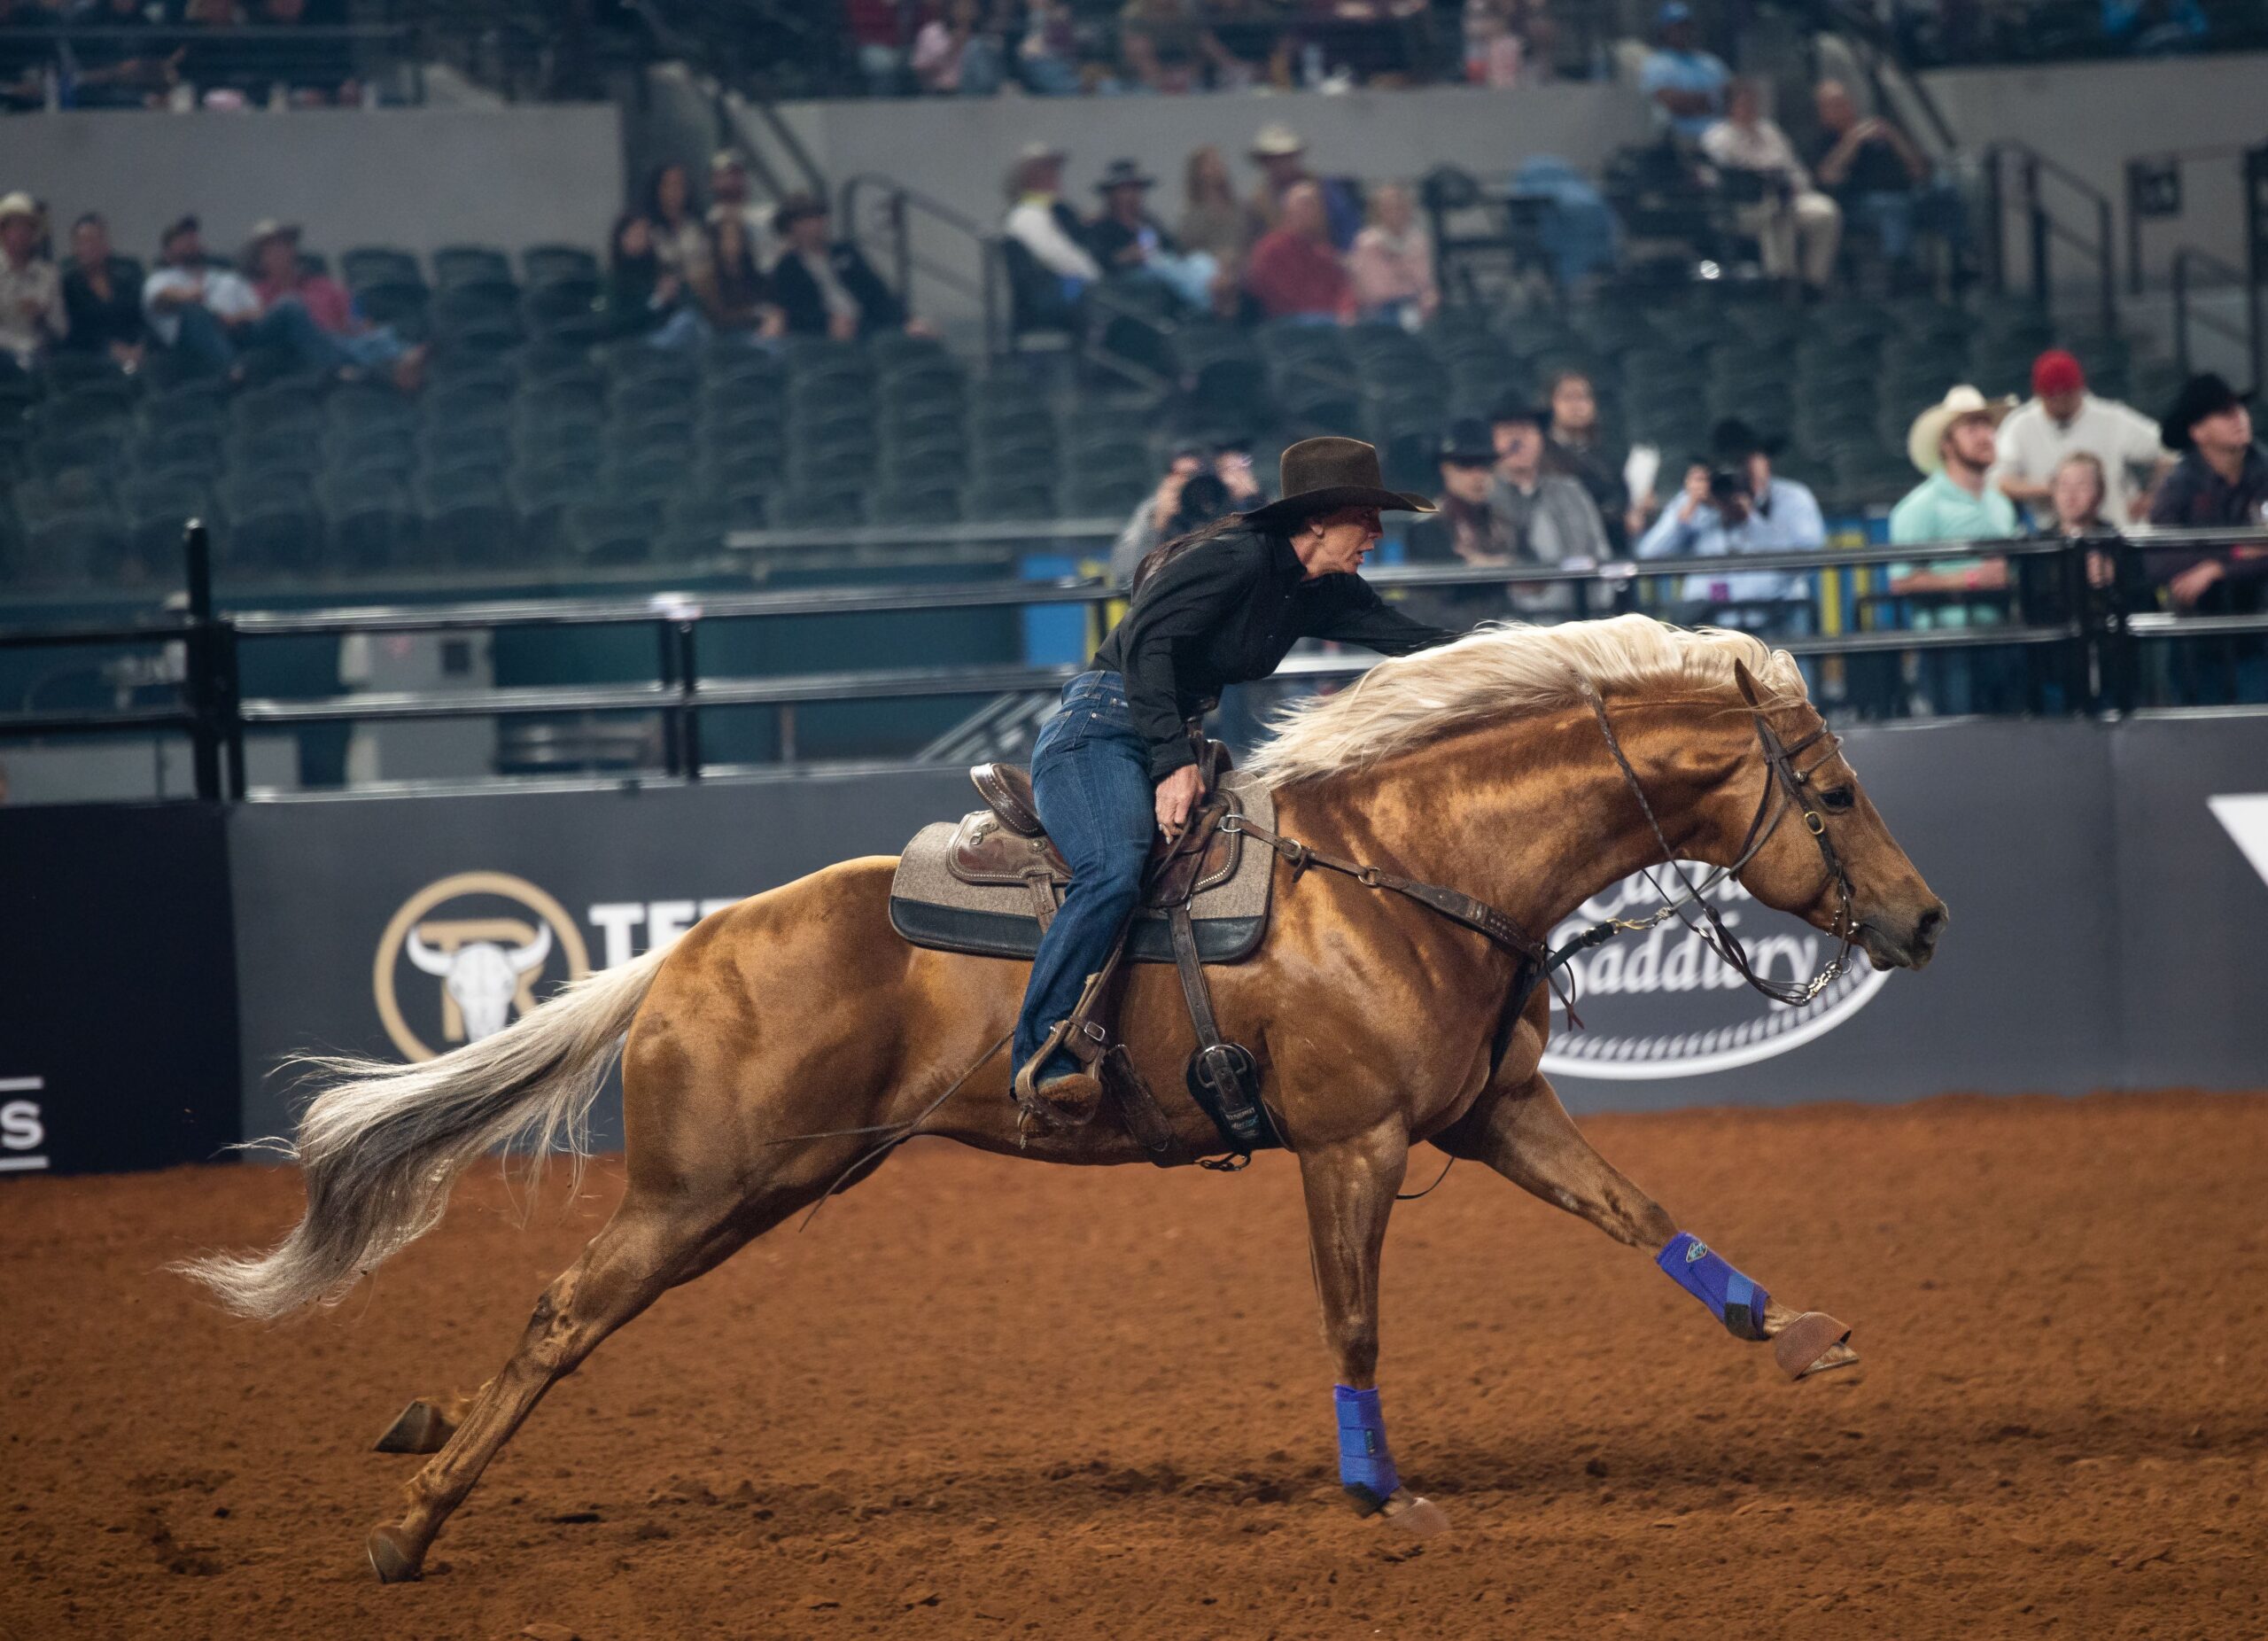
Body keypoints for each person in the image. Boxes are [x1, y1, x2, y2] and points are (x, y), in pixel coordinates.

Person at [1010, 436, 1456, 1124]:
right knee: (1112, 868)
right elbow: (1148, 645)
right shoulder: (1236, 557)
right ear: (1317, 521)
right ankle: (1041, 1056)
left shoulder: (1314, 588)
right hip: (1100, 728)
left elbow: (1409, 637)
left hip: (1163, 730)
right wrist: (1171, 762)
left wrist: (1535, 652)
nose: (1376, 534)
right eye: (1366, 517)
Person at [1635, 418, 1827, 630]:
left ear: (1764, 461)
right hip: (1711, 625)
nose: (1736, 473)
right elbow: (1648, 556)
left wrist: (1750, 520)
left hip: (1777, 618)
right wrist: (1687, 511)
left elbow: (1807, 556)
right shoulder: (1697, 500)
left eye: (1742, 462)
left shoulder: (1791, 498)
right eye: (1726, 464)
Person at [1991, 349, 2171, 530]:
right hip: (2051, 540)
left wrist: (2155, 496)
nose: (2060, 401)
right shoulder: (2021, 425)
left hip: (2117, 535)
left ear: (2080, 389)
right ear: (2039, 394)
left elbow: (2170, 448)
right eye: (2052, 396)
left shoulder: (2111, 419)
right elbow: (1998, 482)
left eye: (2067, 395)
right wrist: (2052, 488)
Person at [1700, 81, 1841, 295]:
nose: (1750, 108)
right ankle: (1781, 282)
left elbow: (1795, 169)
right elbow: (1722, 178)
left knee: (1825, 211)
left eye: (1753, 102)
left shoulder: (1770, 131)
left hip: (1788, 198)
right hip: (1745, 208)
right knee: (1776, 211)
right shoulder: (1717, 137)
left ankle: (1813, 284)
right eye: (1743, 103)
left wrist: (1795, 185)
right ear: (1729, 106)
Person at [246, 220, 424, 387]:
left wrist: (361, 329)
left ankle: (403, 359)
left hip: (342, 342)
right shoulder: (258, 294)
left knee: (378, 336)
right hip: (305, 352)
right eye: (273, 249)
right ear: (261, 260)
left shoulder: (322, 285)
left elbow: (353, 320)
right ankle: (388, 366)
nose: (282, 252)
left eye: (286, 246)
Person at [2146, 372, 2268, 611]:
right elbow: (2158, 561)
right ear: (2198, 432)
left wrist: (2217, 569)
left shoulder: (2265, 472)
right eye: (2225, 413)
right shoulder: (2178, 485)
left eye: (2240, 409)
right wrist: (2238, 551)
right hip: (2200, 621)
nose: (2238, 418)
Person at [1487, 398, 1608, 612]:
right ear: (1492, 441)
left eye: (1526, 430)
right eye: (1507, 432)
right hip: (1512, 627)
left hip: (1580, 619)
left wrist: (1596, 611)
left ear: (1540, 438)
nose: (1518, 440)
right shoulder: (1485, 498)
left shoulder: (1571, 491)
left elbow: (1599, 552)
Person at [1806, 80, 1936, 273]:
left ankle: (1963, 257)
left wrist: (1894, 137)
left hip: (1903, 192)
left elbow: (1919, 170)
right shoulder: (1822, 142)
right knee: (1893, 207)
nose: (1843, 108)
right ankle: (1900, 269)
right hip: (1856, 203)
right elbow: (1827, 176)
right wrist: (1852, 140)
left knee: (1943, 189)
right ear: (1823, 112)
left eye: (1844, 101)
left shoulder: (1877, 135)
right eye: (1834, 105)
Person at [1402, 417, 1523, 623]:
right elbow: (1441, 596)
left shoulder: (1503, 522)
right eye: (1466, 465)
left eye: (1485, 465)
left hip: (1501, 633)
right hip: (1450, 638)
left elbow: (1532, 572)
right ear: (1445, 468)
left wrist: (1485, 564)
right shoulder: (1427, 527)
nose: (1478, 476)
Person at [1109, 438, 1265, 582]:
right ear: (1167, 480)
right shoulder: (1153, 511)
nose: (1191, 483)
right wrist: (1157, 524)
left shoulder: (1226, 502)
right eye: (1183, 475)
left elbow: (1266, 560)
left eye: (1196, 475)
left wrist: (1253, 504)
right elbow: (1125, 575)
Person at [768, 193, 912, 339]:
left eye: (818, 217)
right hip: (823, 333)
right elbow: (796, 309)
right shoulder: (788, 267)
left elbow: (876, 290)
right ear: (791, 227)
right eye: (806, 220)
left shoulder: (845, 252)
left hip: (868, 322)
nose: (816, 224)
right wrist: (827, 322)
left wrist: (906, 320)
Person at [1087, 159, 1216, 312]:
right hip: (1129, 276)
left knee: (1201, 261)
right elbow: (1098, 261)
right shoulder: (1102, 226)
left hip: (1162, 264)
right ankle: (1206, 304)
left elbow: (1173, 246)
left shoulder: (1148, 221)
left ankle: (1213, 295)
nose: (1131, 195)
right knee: (1163, 267)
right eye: (1124, 190)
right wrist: (1127, 256)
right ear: (1112, 195)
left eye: (1135, 189)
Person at [1003, 142, 1101, 327]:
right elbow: (1057, 257)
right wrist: (1095, 278)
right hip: (1049, 293)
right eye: (1045, 170)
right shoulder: (1025, 215)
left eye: (1054, 169)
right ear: (1029, 176)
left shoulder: (1057, 211)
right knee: (1102, 296)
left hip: (1067, 286)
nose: (1054, 175)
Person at [1542, 369, 1643, 551]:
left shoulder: (1604, 455)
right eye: (1567, 398)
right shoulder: (1544, 455)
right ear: (1551, 404)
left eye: (1583, 397)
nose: (1576, 405)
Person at [1244, 181, 1353, 323]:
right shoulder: (1270, 250)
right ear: (1287, 211)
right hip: (1288, 328)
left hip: (1330, 325)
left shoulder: (1325, 253)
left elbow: (1343, 290)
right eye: (1305, 205)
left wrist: (1345, 313)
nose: (1312, 211)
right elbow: (1281, 299)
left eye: (1315, 205)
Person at [602, 213, 706, 350]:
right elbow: (620, 321)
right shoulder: (615, 278)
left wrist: (674, 293)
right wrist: (657, 301)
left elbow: (686, 301)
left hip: (665, 332)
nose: (642, 240)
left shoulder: (656, 269)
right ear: (622, 238)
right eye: (636, 235)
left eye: (644, 235)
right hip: (636, 341)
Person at [1248, 124, 1362, 249]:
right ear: (1264, 162)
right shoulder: (1258, 202)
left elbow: (1348, 230)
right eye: (1273, 159)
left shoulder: (1324, 189)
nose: (1280, 163)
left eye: (1286, 157)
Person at [58, 214, 145, 368]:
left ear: (105, 243)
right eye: (82, 242)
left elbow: (142, 317)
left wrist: (140, 346)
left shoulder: (129, 275)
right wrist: (111, 349)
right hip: (92, 355)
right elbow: (76, 331)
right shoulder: (69, 284)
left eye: (94, 240)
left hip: (136, 350)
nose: (88, 247)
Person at [1347, 182, 1437, 327]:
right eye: (1389, 208)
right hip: (1380, 311)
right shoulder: (1367, 244)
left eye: (1400, 207)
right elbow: (1372, 290)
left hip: (1415, 307)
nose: (1395, 212)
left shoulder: (1419, 242)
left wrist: (1429, 298)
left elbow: (1425, 282)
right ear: (1378, 211)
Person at [1639, 2, 1730, 143]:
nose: (1682, 31)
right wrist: (1710, 100)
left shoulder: (1710, 63)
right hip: (1680, 141)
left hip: (1720, 136)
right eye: (1675, 26)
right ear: (1664, 30)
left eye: (1685, 26)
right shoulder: (1656, 64)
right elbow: (1673, 104)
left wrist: (1694, 101)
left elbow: (1730, 98)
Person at [693, 208, 786, 338]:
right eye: (726, 238)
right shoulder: (707, 279)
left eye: (736, 237)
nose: (732, 244)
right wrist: (756, 313)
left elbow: (765, 300)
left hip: (757, 333)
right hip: (726, 340)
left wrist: (773, 315)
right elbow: (719, 317)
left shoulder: (752, 274)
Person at [0, 193, 66, 370]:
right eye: (15, 227)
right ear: (3, 232)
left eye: (27, 228)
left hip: (39, 357)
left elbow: (62, 330)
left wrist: (42, 316)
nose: (21, 234)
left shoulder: (48, 275)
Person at [1119, 0, 1236, 93]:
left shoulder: (1187, 12)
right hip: (1143, 81)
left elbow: (1200, 50)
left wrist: (1187, 77)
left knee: (1204, 40)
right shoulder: (1135, 14)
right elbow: (1140, 56)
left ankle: (1237, 72)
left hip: (1186, 78)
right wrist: (1162, 81)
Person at [1177, 145, 1254, 270]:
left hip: (1242, 267)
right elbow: (1188, 249)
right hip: (1207, 271)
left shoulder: (1240, 208)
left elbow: (1250, 238)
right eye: (1210, 163)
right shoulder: (1190, 214)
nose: (1216, 167)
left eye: (1218, 162)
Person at [913, 0, 1006, 94]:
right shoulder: (931, 33)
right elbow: (920, 71)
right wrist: (952, 49)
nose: (966, 10)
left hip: (976, 92)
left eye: (970, 6)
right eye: (961, 5)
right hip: (940, 91)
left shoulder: (984, 39)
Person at [645, 162, 710, 287]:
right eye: (668, 185)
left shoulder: (700, 227)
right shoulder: (648, 230)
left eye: (679, 185)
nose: (674, 191)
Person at [708, 152, 776, 267]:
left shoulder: (767, 216)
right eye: (724, 175)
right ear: (714, 181)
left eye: (736, 174)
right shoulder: (710, 221)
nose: (731, 180)